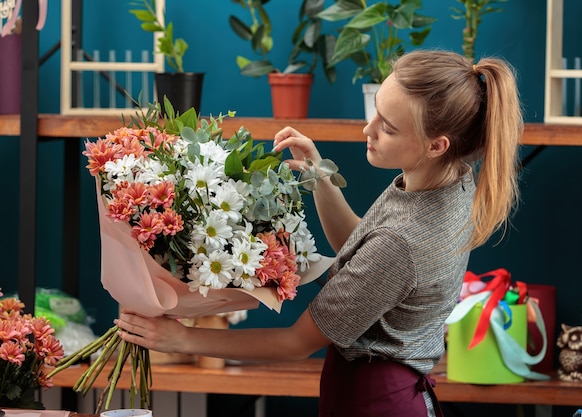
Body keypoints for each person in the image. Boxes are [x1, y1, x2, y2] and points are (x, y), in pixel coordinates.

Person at [115, 49, 523, 417]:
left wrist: (182, 339)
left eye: (389, 127)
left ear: (437, 144)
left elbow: (296, 342)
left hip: (376, 404)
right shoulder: (449, 181)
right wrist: (320, 176)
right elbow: (364, 249)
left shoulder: (404, 242)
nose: (369, 129)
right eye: (376, 111)